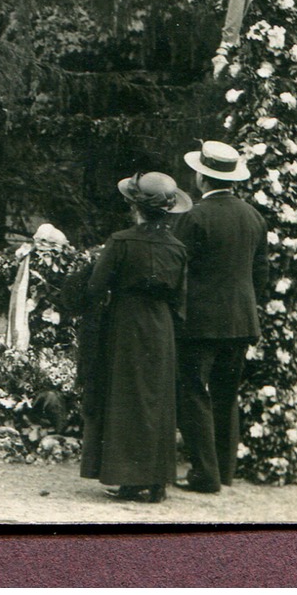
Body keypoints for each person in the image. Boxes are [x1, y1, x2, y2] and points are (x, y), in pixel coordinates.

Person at [80, 170, 191, 503]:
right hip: (161, 327)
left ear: (135, 206)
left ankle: (129, 478)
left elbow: (96, 287)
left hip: (126, 324)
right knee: (156, 398)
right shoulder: (177, 248)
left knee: (126, 397)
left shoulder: (121, 241)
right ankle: (157, 480)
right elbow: (180, 298)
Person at [175, 139, 269, 494]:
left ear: (201, 178)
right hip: (241, 321)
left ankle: (204, 474)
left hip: (200, 323)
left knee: (194, 391)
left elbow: (178, 267)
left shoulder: (194, 216)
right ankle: (224, 471)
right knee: (227, 394)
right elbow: (261, 274)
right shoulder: (253, 216)